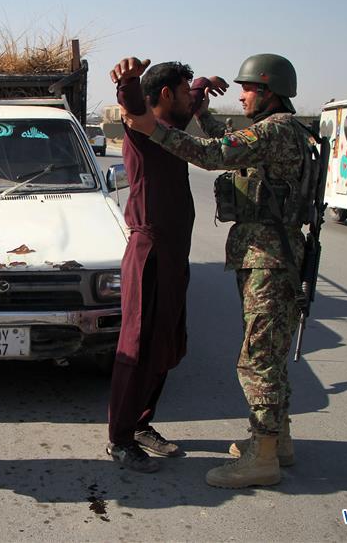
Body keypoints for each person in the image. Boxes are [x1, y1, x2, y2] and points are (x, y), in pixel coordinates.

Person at [121, 53, 308, 488]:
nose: (241, 96)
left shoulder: (276, 130)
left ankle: (263, 457)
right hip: (276, 254)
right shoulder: (286, 130)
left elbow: (214, 154)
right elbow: (233, 137)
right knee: (272, 352)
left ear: (267, 92)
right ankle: (276, 441)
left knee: (258, 359)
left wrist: (154, 127)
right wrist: (201, 115)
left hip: (269, 256)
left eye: (248, 90)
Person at [105, 57, 227, 474]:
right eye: (182, 90)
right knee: (136, 348)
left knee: (165, 345)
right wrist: (128, 81)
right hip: (150, 254)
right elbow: (133, 104)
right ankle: (119, 440)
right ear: (163, 95)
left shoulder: (172, 129)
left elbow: (188, 103)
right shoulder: (142, 130)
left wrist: (203, 85)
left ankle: (141, 424)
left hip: (174, 256)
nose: (189, 99)